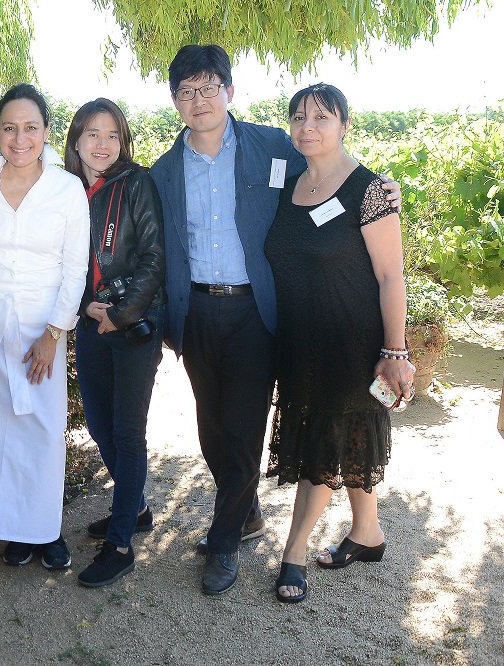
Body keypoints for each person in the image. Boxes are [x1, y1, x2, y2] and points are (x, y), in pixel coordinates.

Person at [149, 44, 400, 596]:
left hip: (256, 312)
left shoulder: (269, 144)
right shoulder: (165, 171)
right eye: (186, 91)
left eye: (209, 87)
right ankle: (249, 513)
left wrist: (379, 189)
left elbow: (329, 159)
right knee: (212, 428)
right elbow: (163, 247)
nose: (199, 99)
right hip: (197, 311)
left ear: (230, 92)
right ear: (174, 101)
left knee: (243, 428)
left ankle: (222, 543)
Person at [264, 83, 415, 603]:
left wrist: (394, 352)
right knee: (348, 437)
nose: (309, 127)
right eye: (299, 117)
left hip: (351, 346)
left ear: (344, 125)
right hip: (299, 342)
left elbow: (392, 275)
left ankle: (294, 553)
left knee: (323, 446)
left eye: (322, 117)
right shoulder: (285, 183)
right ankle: (367, 534)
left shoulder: (370, 189)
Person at [0, 83, 89, 569]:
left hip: (43, 329)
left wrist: (54, 334)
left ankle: (46, 530)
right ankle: (13, 530)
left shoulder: (66, 188)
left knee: (45, 427)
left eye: (30, 128)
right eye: (9, 128)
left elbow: (74, 268)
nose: (19, 138)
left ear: (46, 132)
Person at [62, 98, 166, 587]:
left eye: (112, 135)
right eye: (92, 134)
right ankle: (137, 506)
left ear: (123, 142)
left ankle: (121, 542)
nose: (102, 144)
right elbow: (60, 259)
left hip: (133, 327)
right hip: (88, 322)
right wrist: (87, 306)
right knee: (100, 426)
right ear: (76, 140)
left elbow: (152, 257)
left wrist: (120, 315)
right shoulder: (63, 191)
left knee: (128, 433)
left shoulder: (137, 183)